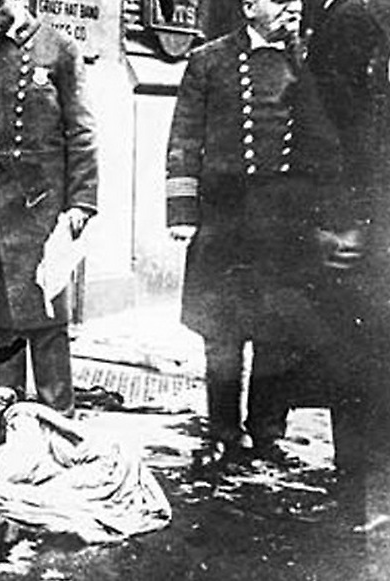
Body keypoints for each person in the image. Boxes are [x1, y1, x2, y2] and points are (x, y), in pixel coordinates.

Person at [165, 0, 343, 467]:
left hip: (285, 222)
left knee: (278, 335)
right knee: (221, 335)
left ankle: (267, 433)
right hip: (223, 222)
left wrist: (324, 216)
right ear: (249, 7)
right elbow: (184, 137)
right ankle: (223, 432)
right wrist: (182, 211)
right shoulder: (209, 60)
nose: (293, 7)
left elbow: (324, 143)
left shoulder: (306, 60)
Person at [0, 0, 98, 416]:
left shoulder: (59, 49)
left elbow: (81, 133)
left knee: (47, 318)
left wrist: (81, 202)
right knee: (2, 319)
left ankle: (58, 420)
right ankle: (7, 414)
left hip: (42, 210)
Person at [305, 0, 390, 529]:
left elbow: (336, 132)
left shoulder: (349, 20)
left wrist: (344, 220)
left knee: (358, 361)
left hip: (367, 228)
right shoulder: (359, 18)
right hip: (371, 224)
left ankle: (361, 496)